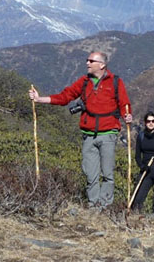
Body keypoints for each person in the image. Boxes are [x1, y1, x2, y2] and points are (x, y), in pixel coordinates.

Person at [29, 51, 132, 209]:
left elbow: (124, 103)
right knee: (90, 174)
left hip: (108, 134)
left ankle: (104, 207)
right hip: (88, 135)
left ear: (102, 65)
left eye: (91, 61)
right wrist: (40, 99)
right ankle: (93, 205)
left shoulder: (116, 82)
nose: (87, 63)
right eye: (87, 60)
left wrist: (127, 116)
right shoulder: (83, 82)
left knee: (107, 174)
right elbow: (65, 97)